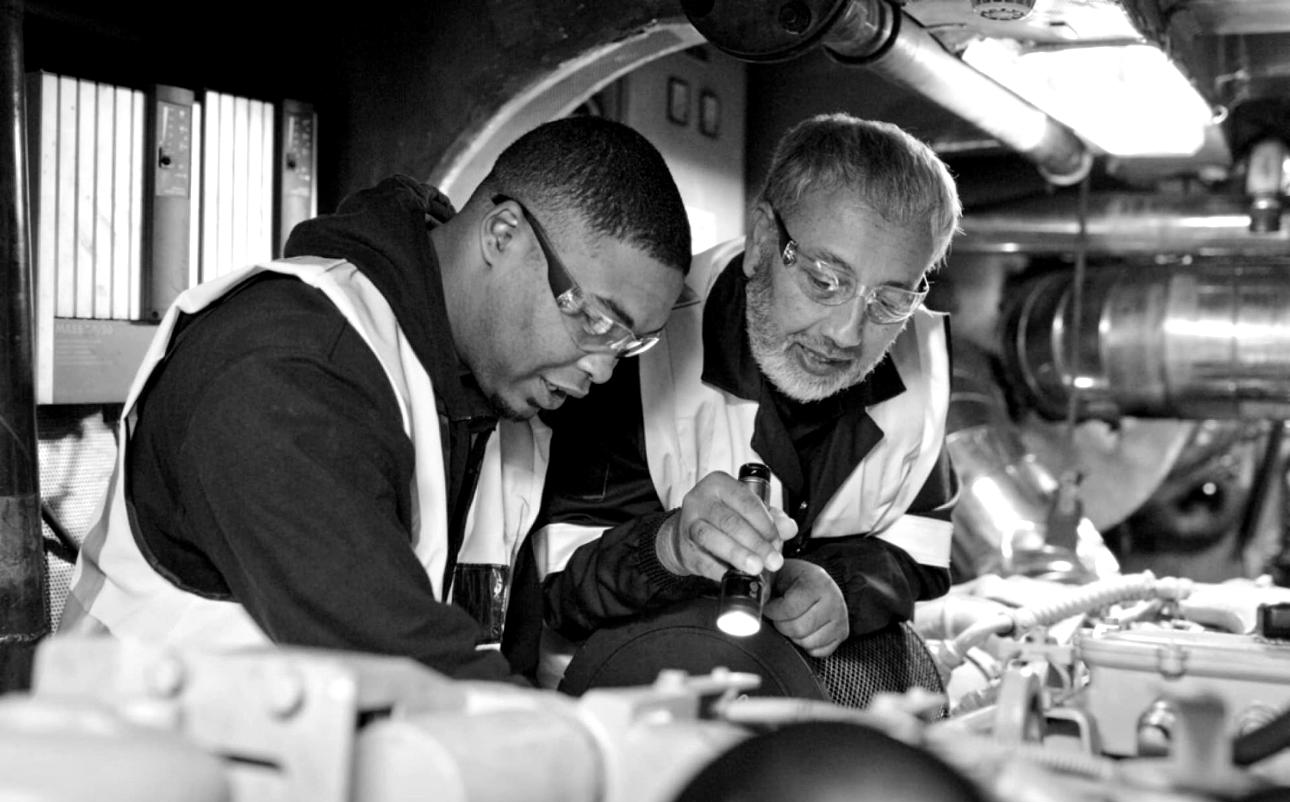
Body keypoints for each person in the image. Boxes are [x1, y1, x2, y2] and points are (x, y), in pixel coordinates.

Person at [60, 116, 692, 682]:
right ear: (503, 235)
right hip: (122, 759)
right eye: (597, 321)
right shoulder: (288, 361)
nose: (603, 368)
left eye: (630, 342)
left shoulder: (499, 409)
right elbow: (402, 666)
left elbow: (504, 650)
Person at [531, 113, 962, 687]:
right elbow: (555, 585)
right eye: (825, 281)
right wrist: (667, 547)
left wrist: (842, 587)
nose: (847, 334)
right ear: (763, 241)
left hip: (808, 703)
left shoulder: (922, 355)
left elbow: (922, 552)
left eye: (890, 300)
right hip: (623, 700)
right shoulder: (644, 341)